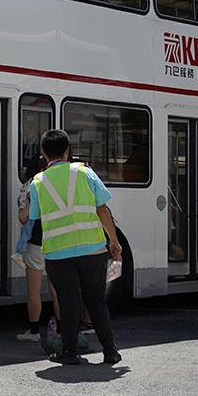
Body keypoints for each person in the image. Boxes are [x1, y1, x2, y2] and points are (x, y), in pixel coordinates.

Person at [23, 130, 122, 366]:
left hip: (58, 253)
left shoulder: (38, 182)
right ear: (68, 150)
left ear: (44, 154)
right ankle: (110, 350)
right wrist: (114, 241)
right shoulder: (85, 173)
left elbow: (33, 215)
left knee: (68, 302)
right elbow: (102, 209)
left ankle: (69, 352)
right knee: (96, 300)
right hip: (92, 249)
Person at [16, 156, 61, 343]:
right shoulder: (57, 184)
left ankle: (34, 331)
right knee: (56, 287)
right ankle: (61, 327)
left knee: (33, 289)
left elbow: (23, 217)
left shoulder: (30, 186)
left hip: (36, 243)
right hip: (57, 241)